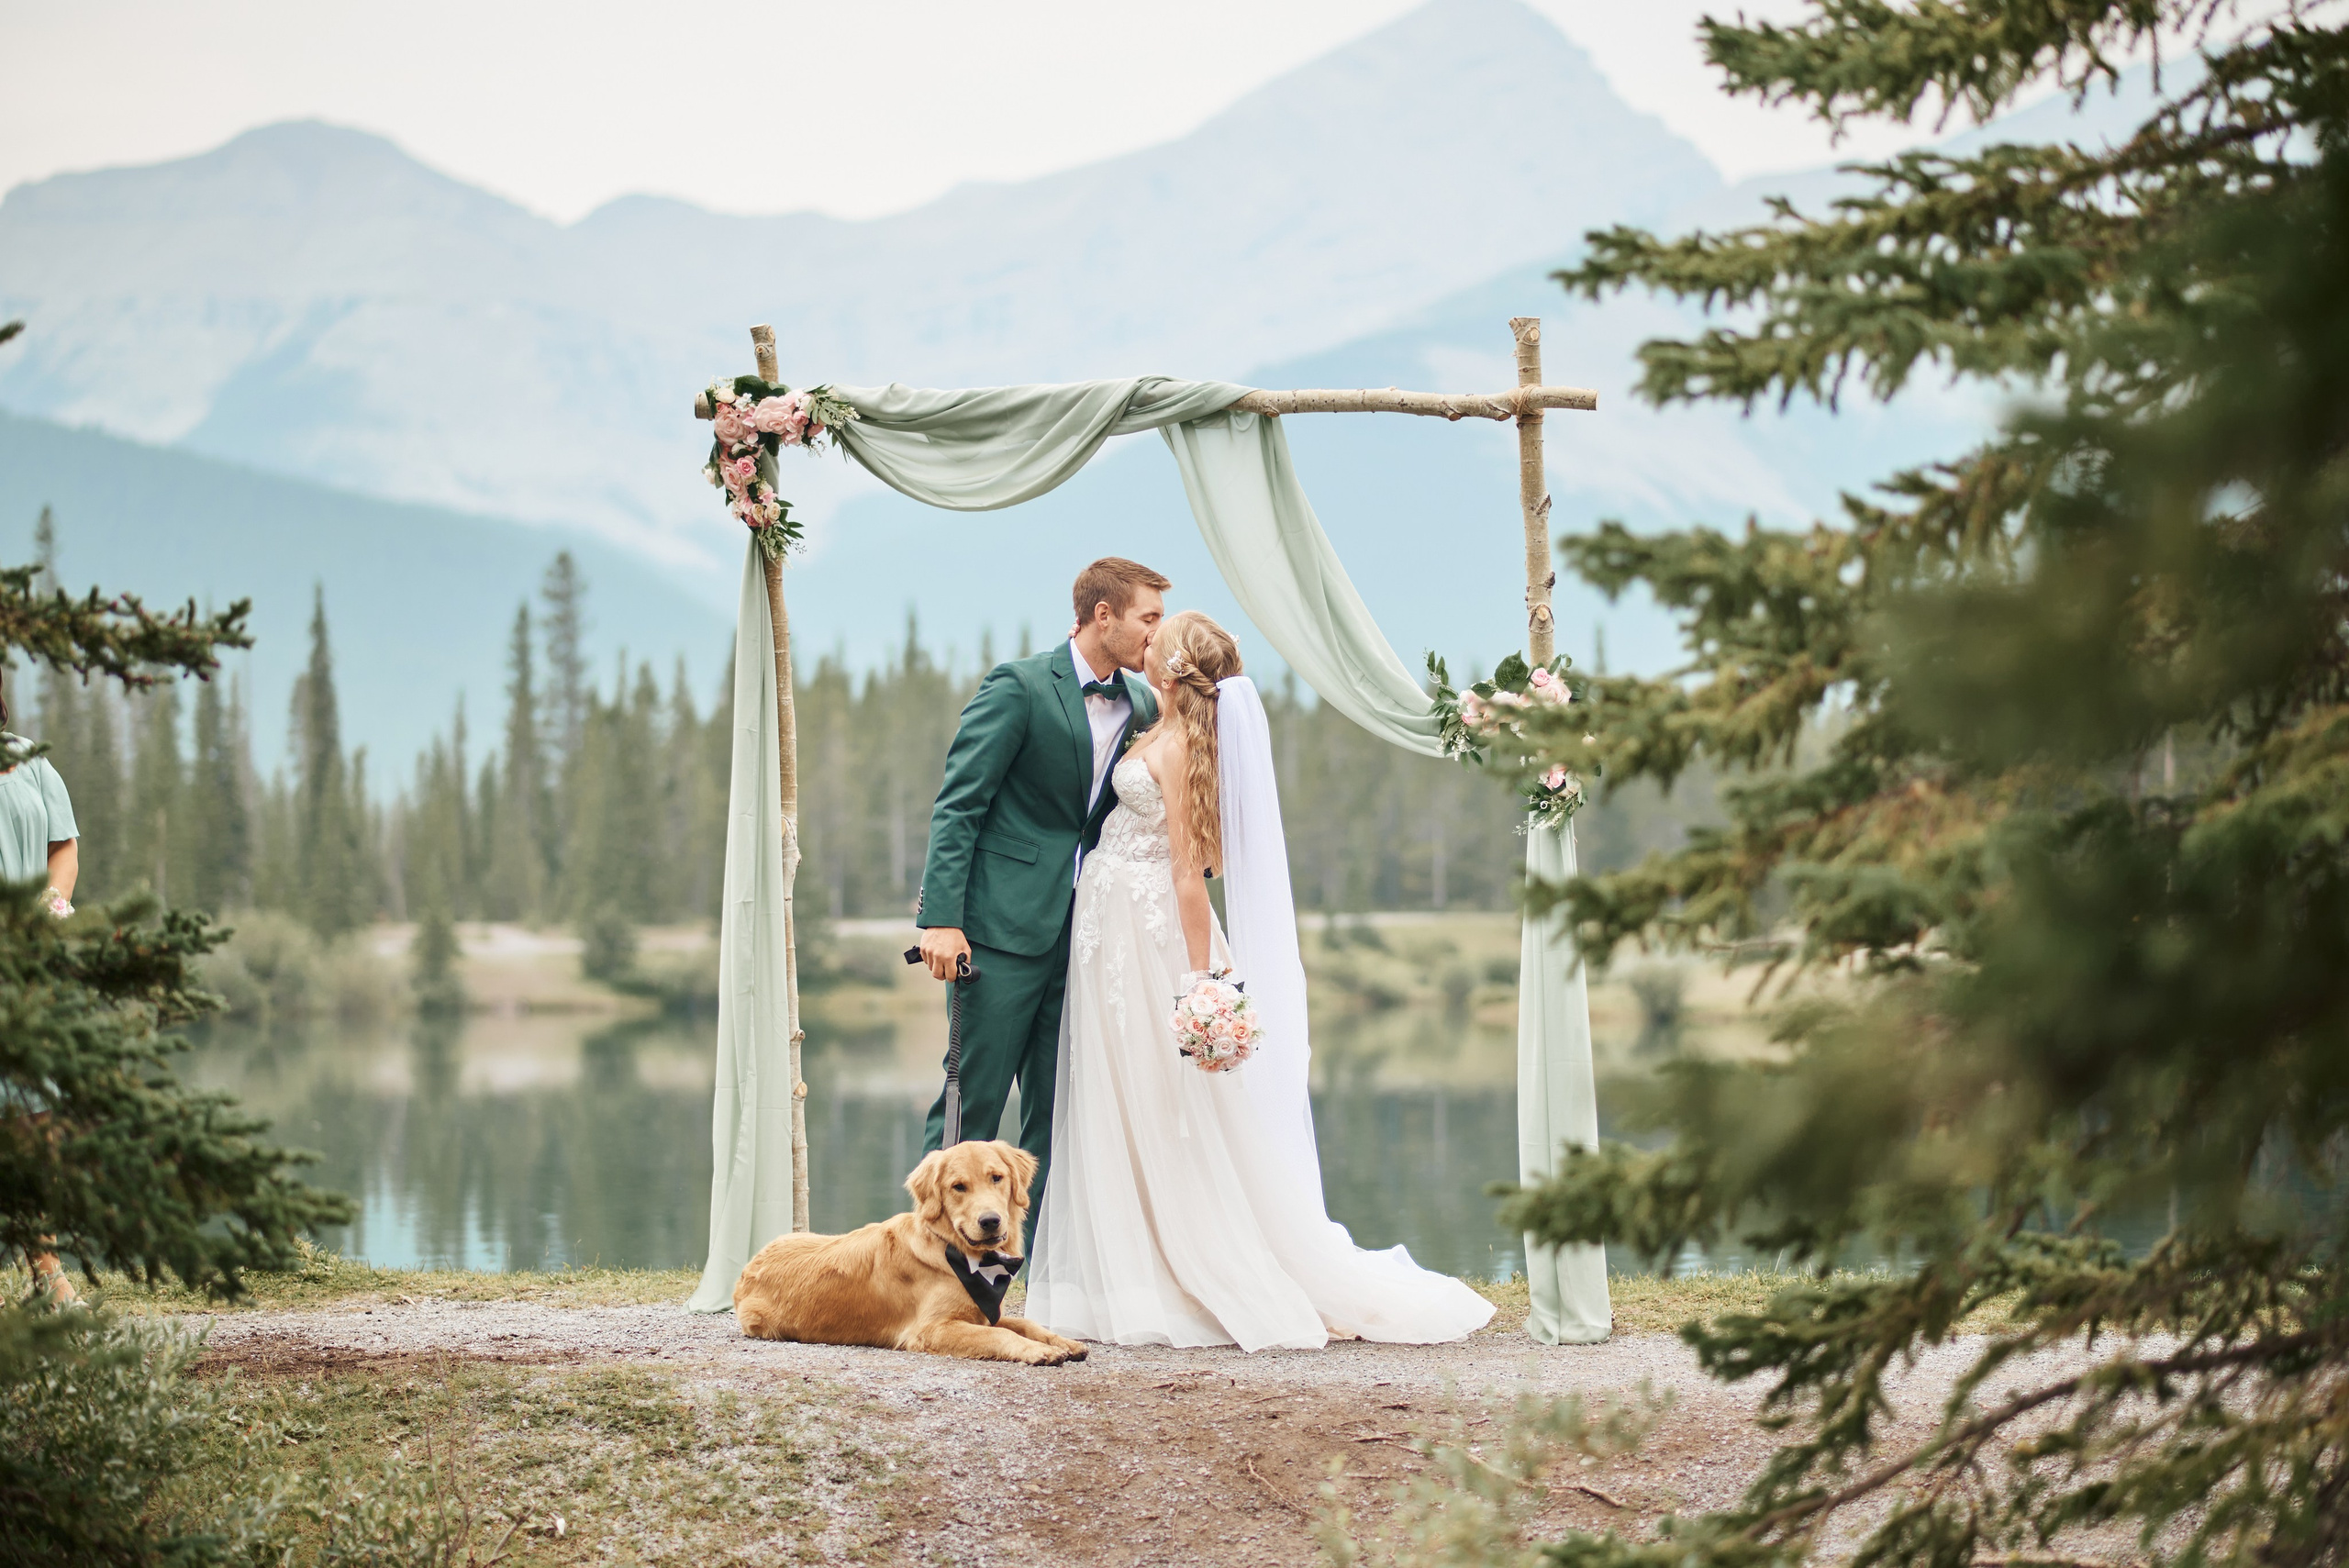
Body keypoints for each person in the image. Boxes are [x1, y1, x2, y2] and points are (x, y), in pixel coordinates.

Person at [1029, 611, 1494, 1350]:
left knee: (1161, 1095)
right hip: (1109, 928)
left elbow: (1189, 873)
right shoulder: (1156, 725)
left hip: (1147, 937)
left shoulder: (1180, 746)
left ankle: (1195, 1267)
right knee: (1118, 1089)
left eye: (1157, 636)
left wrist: (1198, 980)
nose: (1146, 639)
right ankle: (1130, 1266)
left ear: (1172, 665)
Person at [912, 558, 1167, 1243]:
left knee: (1059, 1114)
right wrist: (942, 920)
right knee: (972, 1100)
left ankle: (1027, 1268)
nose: (1156, 632)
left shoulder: (1143, 705)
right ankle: (932, 1264)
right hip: (998, 933)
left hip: (1088, 938)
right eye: (1148, 617)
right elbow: (959, 805)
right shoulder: (1019, 686)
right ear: (1103, 615)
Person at [0, 691, 82, 1306]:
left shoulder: (28, 758)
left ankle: (46, 1270)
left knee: (34, 1115)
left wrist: (52, 906)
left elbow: (64, 847)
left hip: (24, 964)